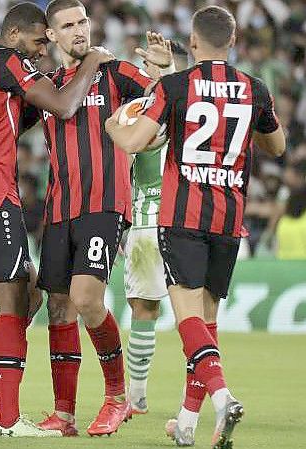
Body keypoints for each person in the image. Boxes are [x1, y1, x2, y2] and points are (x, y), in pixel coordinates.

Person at [105, 6, 286, 447]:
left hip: (183, 216)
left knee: (188, 320)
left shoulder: (175, 87)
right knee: (208, 323)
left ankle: (222, 398)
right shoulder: (254, 88)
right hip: (229, 219)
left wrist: (113, 123)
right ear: (234, 40)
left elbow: (131, 140)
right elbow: (276, 146)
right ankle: (187, 421)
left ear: (193, 42)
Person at [0, 1, 114, 437]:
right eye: (39, 41)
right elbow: (62, 106)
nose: (42, 51)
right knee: (14, 302)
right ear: (16, 33)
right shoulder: (7, 62)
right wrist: (93, 60)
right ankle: (6, 419)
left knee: (32, 296)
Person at [35, 0, 171, 437]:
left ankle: (118, 398)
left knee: (86, 298)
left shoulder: (115, 73)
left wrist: (164, 73)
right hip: (59, 208)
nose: (79, 31)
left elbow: (164, 101)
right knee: (58, 307)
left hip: (105, 203)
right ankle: (64, 413)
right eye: (68, 25)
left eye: (82, 22)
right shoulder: (46, 85)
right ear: (51, 35)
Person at [122, 40, 189, 417]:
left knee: (181, 312)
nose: (146, 69)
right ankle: (139, 394)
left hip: (159, 212)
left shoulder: (158, 104)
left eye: (153, 64)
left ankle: (157, 397)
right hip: (160, 213)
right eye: (145, 63)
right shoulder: (138, 106)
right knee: (147, 308)